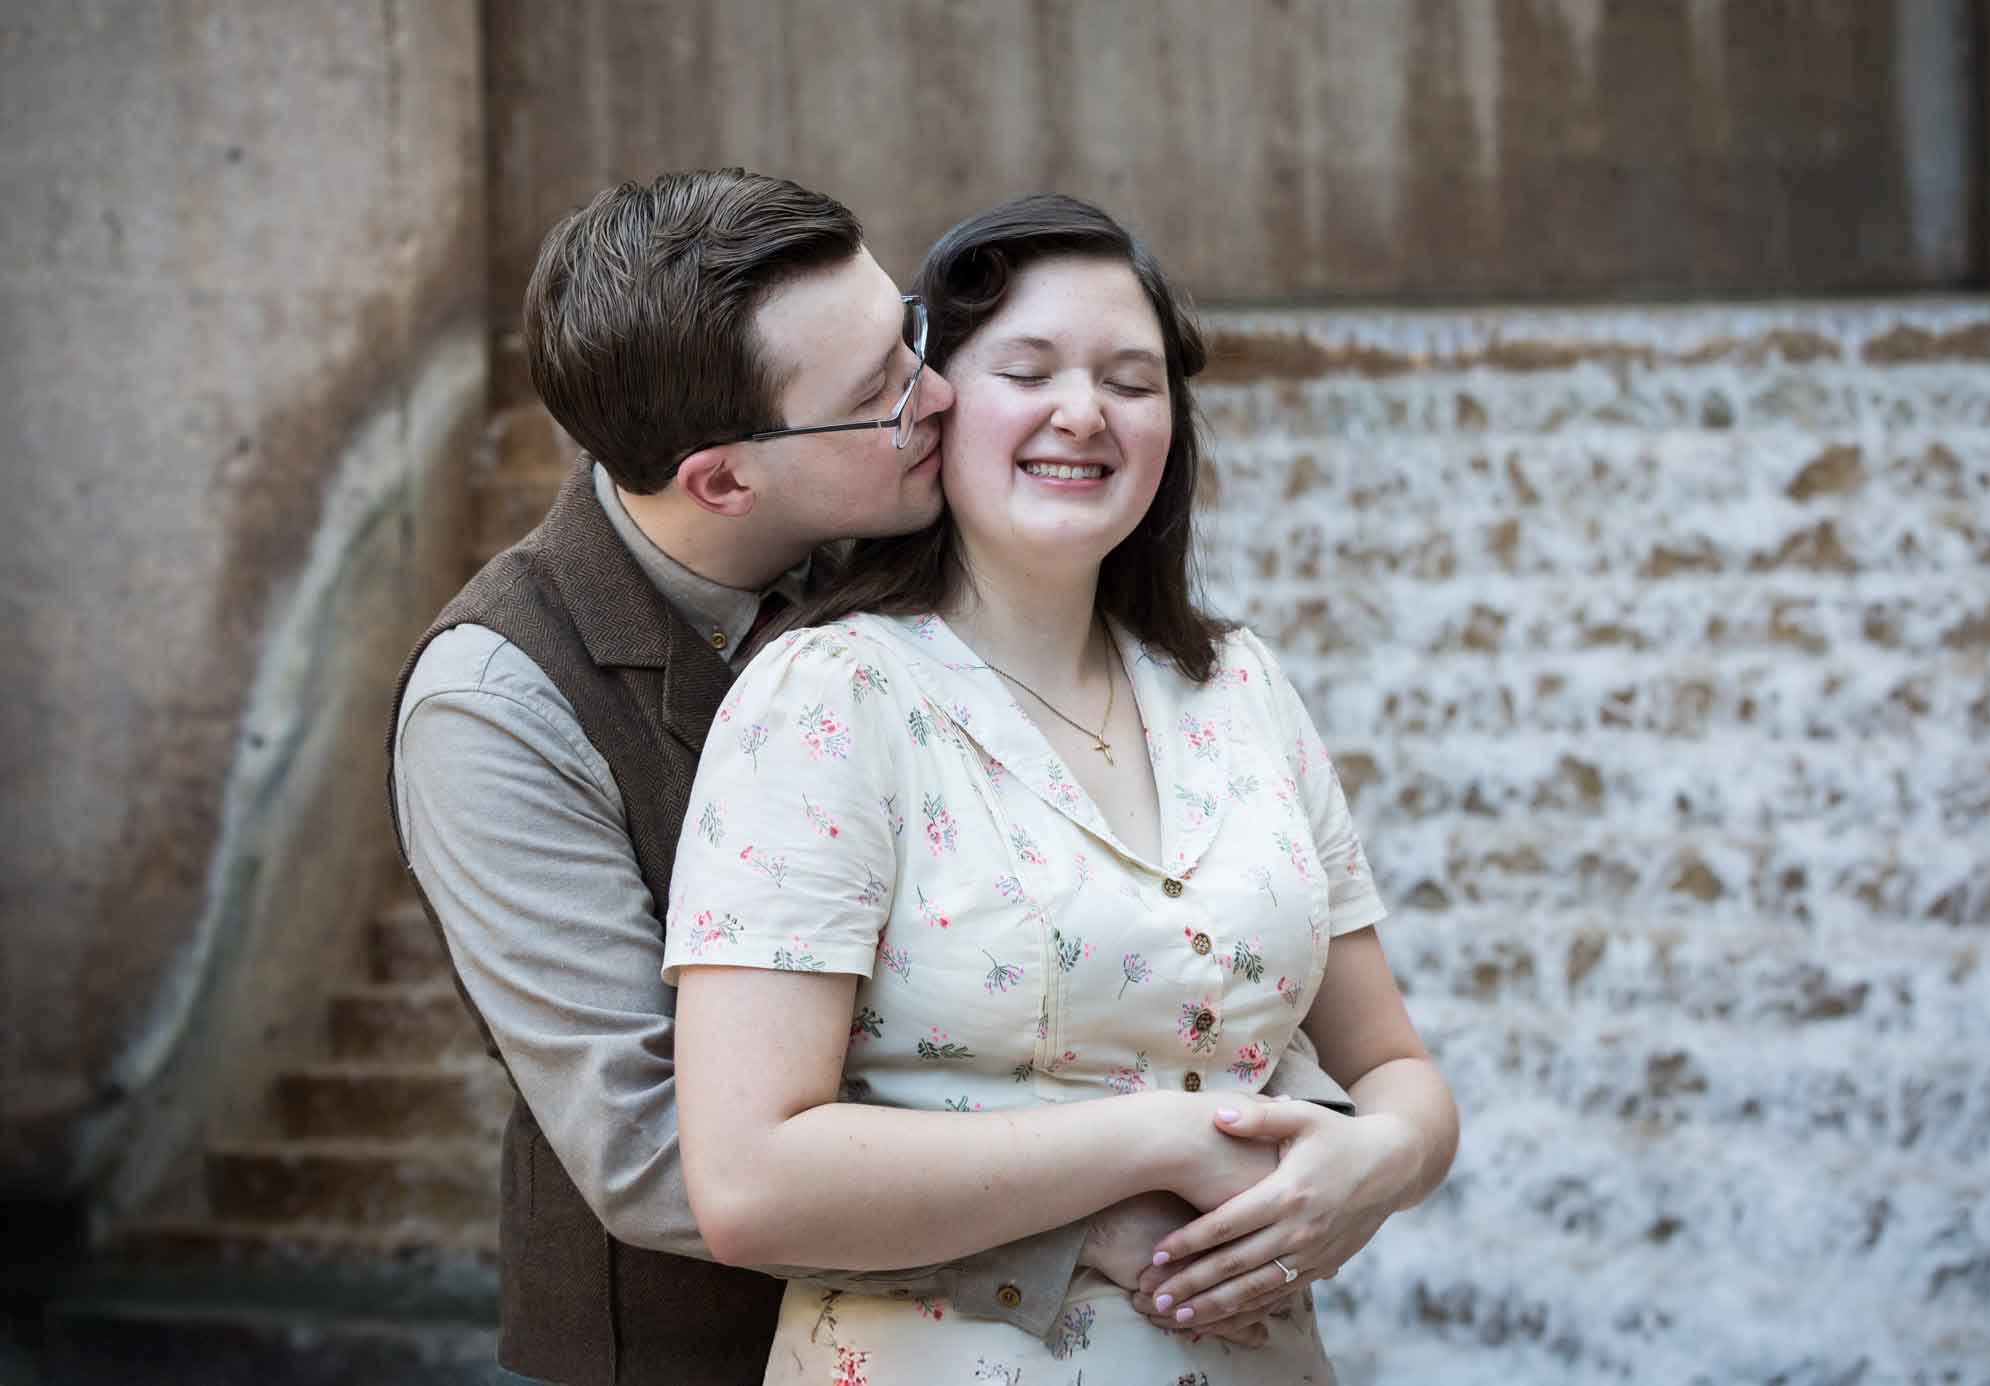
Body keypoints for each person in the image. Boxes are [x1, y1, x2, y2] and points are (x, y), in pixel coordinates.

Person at [387, 171, 1354, 1386]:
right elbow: (653, 1148)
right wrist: (1106, 1207)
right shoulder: (496, 704)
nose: (938, 391)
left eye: (903, 331)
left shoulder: (888, 523)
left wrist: (1327, 1139)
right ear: (724, 481)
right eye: (881, 392)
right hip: (687, 1352)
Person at [663, 195, 1459, 1384]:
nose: (1081, 413)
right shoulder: (826, 700)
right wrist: (1158, 1139)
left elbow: (1396, 1069)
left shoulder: (1236, 685)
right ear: (932, 406)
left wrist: (1376, 1164)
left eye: (1130, 382)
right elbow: (747, 1185)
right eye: (1026, 371)